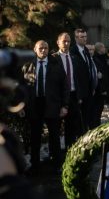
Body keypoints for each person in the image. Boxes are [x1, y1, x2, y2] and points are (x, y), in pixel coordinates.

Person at [21, 40, 68, 173]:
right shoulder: (28, 66)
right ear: (35, 49)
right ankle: (35, 165)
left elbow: (64, 86)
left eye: (46, 48)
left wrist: (64, 105)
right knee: (35, 137)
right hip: (34, 105)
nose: (43, 50)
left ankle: (57, 165)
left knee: (54, 136)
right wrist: (22, 106)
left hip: (52, 105)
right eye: (40, 48)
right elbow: (22, 87)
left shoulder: (56, 64)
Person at [52, 32, 85, 149]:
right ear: (58, 42)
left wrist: (79, 96)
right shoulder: (53, 59)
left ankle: (69, 150)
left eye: (68, 41)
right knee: (56, 127)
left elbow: (78, 78)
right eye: (64, 41)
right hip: (58, 97)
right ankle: (55, 155)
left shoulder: (74, 58)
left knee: (71, 127)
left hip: (73, 96)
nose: (66, 43)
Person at [69, 28, 97, 131]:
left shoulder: (85, 50)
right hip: (78, 92)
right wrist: (78, 94)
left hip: (88, 91)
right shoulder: (72, 52)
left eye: (85, 37)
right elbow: (74, 74)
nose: (85, 39)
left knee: (87, 118)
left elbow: (89, 69)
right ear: (76, 38)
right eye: (82, 37)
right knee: (79, 121)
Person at [91, 42, 109, 128]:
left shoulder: (104, 58)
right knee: (96, 112)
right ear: (99, 49)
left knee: (99, 111)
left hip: (102, 88)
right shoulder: (95, 59)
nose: (105, 49)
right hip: (98, 89)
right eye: (103, 47)